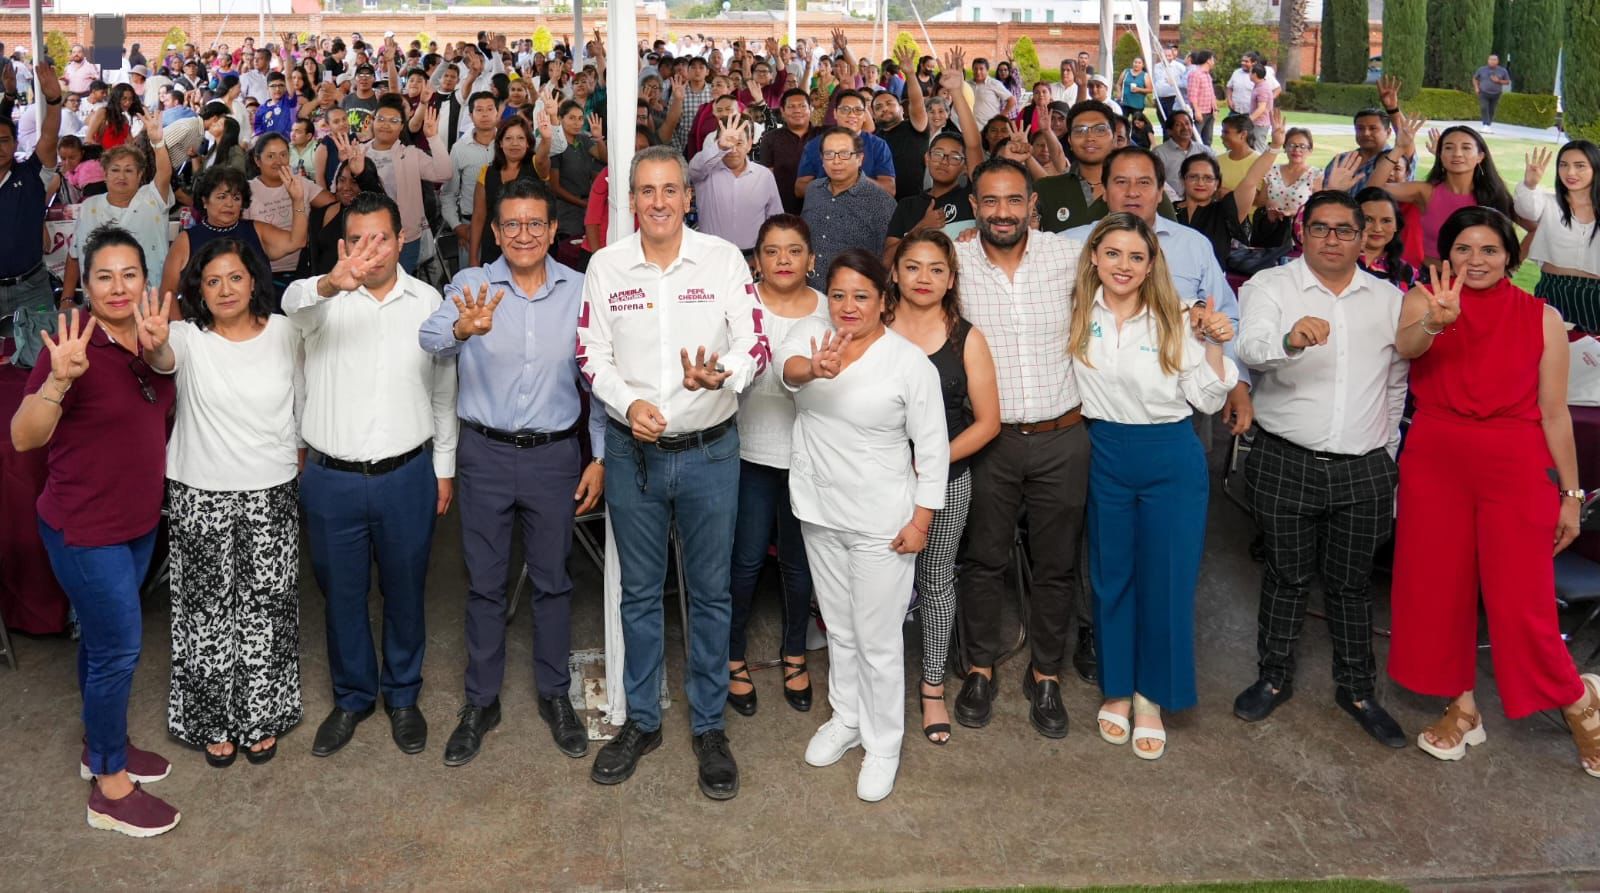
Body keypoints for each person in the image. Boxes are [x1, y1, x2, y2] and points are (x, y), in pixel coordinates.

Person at [577, 144, 768, 800]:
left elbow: (755, 341)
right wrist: (628, 403)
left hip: (712, 452)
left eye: (670, 189)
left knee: (712, 595)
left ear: (690, 197)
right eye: (646, 190)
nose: (658, 201)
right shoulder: (606, 266)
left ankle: (709, 726)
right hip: (635, 457)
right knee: (638, 593)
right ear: (630, 200)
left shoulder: (720, 261)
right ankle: (643, 720)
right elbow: (590, 351)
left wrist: (727, 373)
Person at [1388, 206, 1600, 778]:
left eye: (1489, 250)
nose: (1475, 261)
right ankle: (1460, 707)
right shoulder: (1422, 301)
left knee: (1521, 599)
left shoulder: (1541, 317)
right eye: (1463, 249)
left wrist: (1573, 496)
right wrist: (1435, 320)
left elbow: (1555, 414)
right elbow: (1407, 349)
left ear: (1511, 255)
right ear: (1446, 254)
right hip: (1436, 460)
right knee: (1437, 590)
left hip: (1514, 465)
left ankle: (1579, 701)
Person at [418, 178, 602, 767]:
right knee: (485, 583)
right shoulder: (472, 286)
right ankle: (481, 701)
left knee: (553, 580)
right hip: (486, 456)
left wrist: (597, 454)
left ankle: (554, 696)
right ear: (495, 232)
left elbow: (597, 376)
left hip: (554, 456)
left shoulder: (579, 289)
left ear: (553, 231)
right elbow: (427, 337)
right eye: (512, 225)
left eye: (535, 225)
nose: (524, 235)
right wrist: (459, 330)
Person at [11, 226, 179, 836]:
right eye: (103, 275)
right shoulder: (71, 344)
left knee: (103, 643)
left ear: (145, 277)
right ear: (86, 279)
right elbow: (23, 437)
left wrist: (157, 352)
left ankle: (97, 742)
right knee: (118, 650)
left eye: (128, 274)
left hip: (136, 525)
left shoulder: (151, 332)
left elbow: (162, 379)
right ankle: (108, 784)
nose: (116, 287)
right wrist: (58, 381)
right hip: (85, 531)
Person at [1233, 190, 1411, 749]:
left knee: (1351, 585)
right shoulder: (1272, 286)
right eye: (1320, 229)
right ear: (1302, 234)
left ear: (1364, 238)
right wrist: (1290, 340)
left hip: (1365, 469)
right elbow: (1253, 348)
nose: (1331, 239)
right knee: (1286, 576)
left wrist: (1385, 455)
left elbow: (1395, 384)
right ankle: (1274, 676)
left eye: (1343, 229)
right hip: (1285, 459)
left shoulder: (1389, 300)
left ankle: (1358, 690)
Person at [284, 193, 457, 760]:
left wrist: (445, 469)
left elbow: (443, 393)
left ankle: (403, 696)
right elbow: (291, 303)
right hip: (331, 478)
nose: (370, 250)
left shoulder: (428, 301)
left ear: (401, 238)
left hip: (407, 473)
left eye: (380, 238)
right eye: (357, 239)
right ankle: (353, 696)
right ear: (342, 245)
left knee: (407, 590)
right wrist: (334, 282)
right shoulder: (320, 299)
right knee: (342, 595)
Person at [777, 248, 947, 801]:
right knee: (840, 628)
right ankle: (847, 719)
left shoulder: (908, 363)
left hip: (882, 522)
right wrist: (815, 368)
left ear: (883, 299)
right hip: (820, 511)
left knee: (877, 639)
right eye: (840, 295)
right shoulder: (811, 335)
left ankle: (884, 743)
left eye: (862, 296)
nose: (848, 307)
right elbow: (786, 371)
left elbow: (934, 449)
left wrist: (922, 520)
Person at [1071, 212, 1237, 759]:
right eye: (1113, 253)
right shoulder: (1076, 313)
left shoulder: (1174, 319)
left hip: (1169, 455)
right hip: (1106, 453)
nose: (1124, 265)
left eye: (1136, 256)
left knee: (1165, 579)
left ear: (1150, 265)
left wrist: (1213, 342)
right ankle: (1117, 687)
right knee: (1111, 576)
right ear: (1094, 256)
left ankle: (1151, 696)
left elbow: (1209, 400)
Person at [952, 158, 1091, 737]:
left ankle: (1047, 674)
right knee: (983, 561)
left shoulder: (1067, 256)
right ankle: (980, 667)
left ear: (1032, 204)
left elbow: (1133, 294)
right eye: (990, 202)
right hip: (992, 441)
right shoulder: (954, 261)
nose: (1002, 212)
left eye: (1013, 201)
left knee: (1057, 566)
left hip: (1063, 436)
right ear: (974, 206)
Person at [159, 238, 304, 768]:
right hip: (200, 492)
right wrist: (153, 340)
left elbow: (302, 395)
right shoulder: (186, 336)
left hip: (271, 489)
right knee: (206, 613)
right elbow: (160, 356)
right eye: (213, 280)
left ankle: (261, 714)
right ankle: (211, 719)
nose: (225, 289)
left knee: (267, 609)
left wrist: (300, 450)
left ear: (254, 281)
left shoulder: (285, 332)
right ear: (199, 288)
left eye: (235, 277)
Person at [884, 231, 999, 745]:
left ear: (951, 279)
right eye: (913, 267)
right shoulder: (875, 328)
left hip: (946, 483)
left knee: (935, 582)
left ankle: (932, 688)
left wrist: (926, 465)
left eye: (936, 269)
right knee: (876, 586)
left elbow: (988, 422)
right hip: (874, 482)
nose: (923, 278)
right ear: (895, 273)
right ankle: (874, 688)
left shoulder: (966, 338)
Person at [726, 215, 829, 717]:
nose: (783, 260)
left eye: (794, 251)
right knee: (743, 561)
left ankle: (794, 654)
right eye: (771, 251)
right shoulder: (739, 310)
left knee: (797, 563)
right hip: (748, 453)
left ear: (812, 259)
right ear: (756, 261)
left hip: (808, 458)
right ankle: (733, 657)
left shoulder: (833, 311)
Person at [60, 112, 172, 308]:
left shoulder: (152, 198)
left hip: (150, 306)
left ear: (140, 175)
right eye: (115, 170)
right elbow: (74, 254)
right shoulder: (89, 207)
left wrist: (158, 142)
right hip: (102, 306)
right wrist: (67, 298)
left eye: (129, 170)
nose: (122, 176)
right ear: (104, 174)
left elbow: (164, 172)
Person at [159, 165, 307, 309]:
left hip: (259, 322)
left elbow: (297, 241)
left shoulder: (257, 230)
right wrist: (182, 331)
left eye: (236, 198)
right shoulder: (186, 240)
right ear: (205, 201)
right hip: (203, 328)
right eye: (221, 197)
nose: (229, 203)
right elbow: (167, 293)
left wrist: (298, 200)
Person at [1375, 124, 1514, 268]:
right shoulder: (1425, 191)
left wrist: (1509, 268)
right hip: (1429, 278)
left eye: (1466, 147)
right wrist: (1399, 149)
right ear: (1439, 154)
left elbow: (1530, 229)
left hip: (1476, 280)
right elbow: (1374, 189)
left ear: (1480, 156)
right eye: (1448, 148)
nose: (1457, 154)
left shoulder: (1494, 195)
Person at [1173, 115, 1281, 269]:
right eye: (1193, 177)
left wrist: (1275, 146)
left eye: (1208, 178)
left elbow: (1250, 181)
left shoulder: (1224, 212)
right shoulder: (1169, 211)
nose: (1201, 183)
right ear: (1183, 179)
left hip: (1210, 286)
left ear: (1217, 183)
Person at [1516, 143, 1600, 333]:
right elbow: (1527, 209)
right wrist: (1530, 184)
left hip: (1596, 294)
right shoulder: (1548, 203)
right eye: (1563, 165)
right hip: (1554, 289)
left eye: (1580, 165)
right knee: (1548, 354)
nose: (1570, 172)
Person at [363, 96, 452, 273]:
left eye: (394, 121)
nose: (386, 125)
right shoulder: (359, 152)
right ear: (372, 121)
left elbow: (444, 173)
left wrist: (433, 138)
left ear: (402, 127)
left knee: (400, 284)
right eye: (380, 119)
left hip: (405, 237)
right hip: (367, 236)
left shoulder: (411, 154)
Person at [802, 126, 897, 290]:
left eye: (845, 154)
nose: (836, 161)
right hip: (808, 292)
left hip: (851, 298)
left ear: (860, 158)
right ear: (822, 159)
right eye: (829, 154)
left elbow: (887, 258)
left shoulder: (880, 201)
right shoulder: (813, 190)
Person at [245, 133, 337, 293]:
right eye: (271, 156)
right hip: (263, 273)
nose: (278, 161)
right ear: (257, 160)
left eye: (283, 154)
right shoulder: (247, 190)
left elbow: (335, 204)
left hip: (304, 270)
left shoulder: (300, 183)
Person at [882, 131, 979, 262]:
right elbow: (887, 262)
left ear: (966, 167)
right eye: (938, 154)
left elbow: (975, 145)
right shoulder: (906, 206)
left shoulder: (972, 198)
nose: (944, 161)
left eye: (954, 157)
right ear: (927, 158)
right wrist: (921, 228)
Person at [793, 89, 895, 198]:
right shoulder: (814, 145)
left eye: (858, 110)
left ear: (865, 115)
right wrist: (832, 184)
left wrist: (857, 179)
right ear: (835, 113)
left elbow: (890, 190)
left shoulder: (878, 145)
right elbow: (799, 189)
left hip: (865, 211)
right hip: (825, 210)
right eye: (845, 109)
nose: (852, 114)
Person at [470, 117, 539, 268]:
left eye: (520, 138)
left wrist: (547, 137)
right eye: (508, 138)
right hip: (494, 247)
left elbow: (546, 153)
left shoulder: (537, 166)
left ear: (528, 143)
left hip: (529, 245)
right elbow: (479, 216)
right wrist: (473, 257)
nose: (514, 143)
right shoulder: (486, 172)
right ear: (500, 143)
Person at [442, 91, 499, 271]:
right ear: (471, 116)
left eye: (490, 109)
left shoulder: (509, 143)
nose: (485, 114)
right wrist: (457, 226)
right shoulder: (459, 149)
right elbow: (448, 194)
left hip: (505, 223)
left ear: (497, 113)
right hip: (470, 226)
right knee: (472, 281)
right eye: (479, 110)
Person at [875, 44, 929, 201]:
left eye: (890, 104)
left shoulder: (915, 127)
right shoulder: (874, 139)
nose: (884, 108)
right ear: (874, 115)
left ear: (901, 109)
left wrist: (911, 75)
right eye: (878, 107)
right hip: (882, 205)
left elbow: (917, 103)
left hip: (913, 204)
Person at [755, 88, 813, 216]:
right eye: (791, 106)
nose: (797, 110)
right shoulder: (770, 138)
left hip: (819, 209)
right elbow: (766, 178)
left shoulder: (823, 135)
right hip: (782, 210)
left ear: (811, 109)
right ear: (783, 111)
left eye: (802, 106)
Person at [1354, 187, 1418, 289]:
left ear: (1396, 225)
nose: (1377, 228)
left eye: (1386, 221)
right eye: (1368, 219)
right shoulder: (1336, 259)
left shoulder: (1407, 273)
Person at [1151, 109, 1213, 199]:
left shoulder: (1205, 151)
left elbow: (1214, 178)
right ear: (1169, 131)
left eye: (1187, 124)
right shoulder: (1158, 153)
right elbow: (1157, 181)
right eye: (1178, 125)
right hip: (1172, 205)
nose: (1185, 128)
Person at [1216, 114, 1260, 191]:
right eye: (1222, 132)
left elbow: (1262, 199)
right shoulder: (1218, 160)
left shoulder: (1259, 162)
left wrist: (1231, 196)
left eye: (1226, 132)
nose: (1221, 136)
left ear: (1243, 134)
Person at [1472, 53, 1512, 131]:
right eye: (1490, 59)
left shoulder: (1502, 70)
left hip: (1496, 93)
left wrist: (1499, 81)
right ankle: (1485, 125)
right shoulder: (1482, 69)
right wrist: (1476, 88)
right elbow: (1475, 78)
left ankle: (1488, 125)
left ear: (1498, 61)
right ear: (1488, 60)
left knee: (1491, 109)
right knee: (1484, 107)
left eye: (1494, 60)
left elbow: (1507, 82)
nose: (1492, 61)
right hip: (1483, 92)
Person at [1186, 51, 1217, 147]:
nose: (1214, 62)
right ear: (1208, 60)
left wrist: (1215, 108)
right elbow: (1192, 95)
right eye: (1213, 59)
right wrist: (1197, 111)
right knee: (1196, 139)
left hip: (1209, 112)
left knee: (1207, 140)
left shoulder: (1207, 75)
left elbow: (1211, 93)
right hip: (1201, 112)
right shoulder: (1195, 74)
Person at [1118, 56, 1151, 124]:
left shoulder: (1145, 75)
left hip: (1137, 105)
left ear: (1143, 65)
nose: (1136, 64)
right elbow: (1118, 84)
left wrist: (1139, 89)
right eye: (1135, 62)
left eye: (1139, 63)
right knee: (1122, 122)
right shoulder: (1126, 72)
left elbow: (1150, 90)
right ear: (1132, 63)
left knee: (1136, 124)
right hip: (1124, 103)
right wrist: (1119, 93)